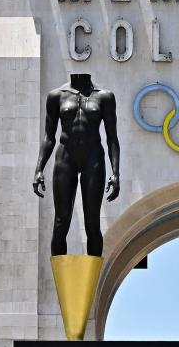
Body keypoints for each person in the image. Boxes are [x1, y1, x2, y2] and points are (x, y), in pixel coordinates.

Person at [32, 73, 121, 256]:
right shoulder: (56, 96)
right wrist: (38, 169)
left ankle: (92, 281)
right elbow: (49, 137)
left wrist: (116, 173)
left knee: (93, 223)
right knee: (60, 221)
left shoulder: (105, 96)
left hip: (93, 158)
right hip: (65, 158)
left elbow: (112, 137)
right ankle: (61, 280)